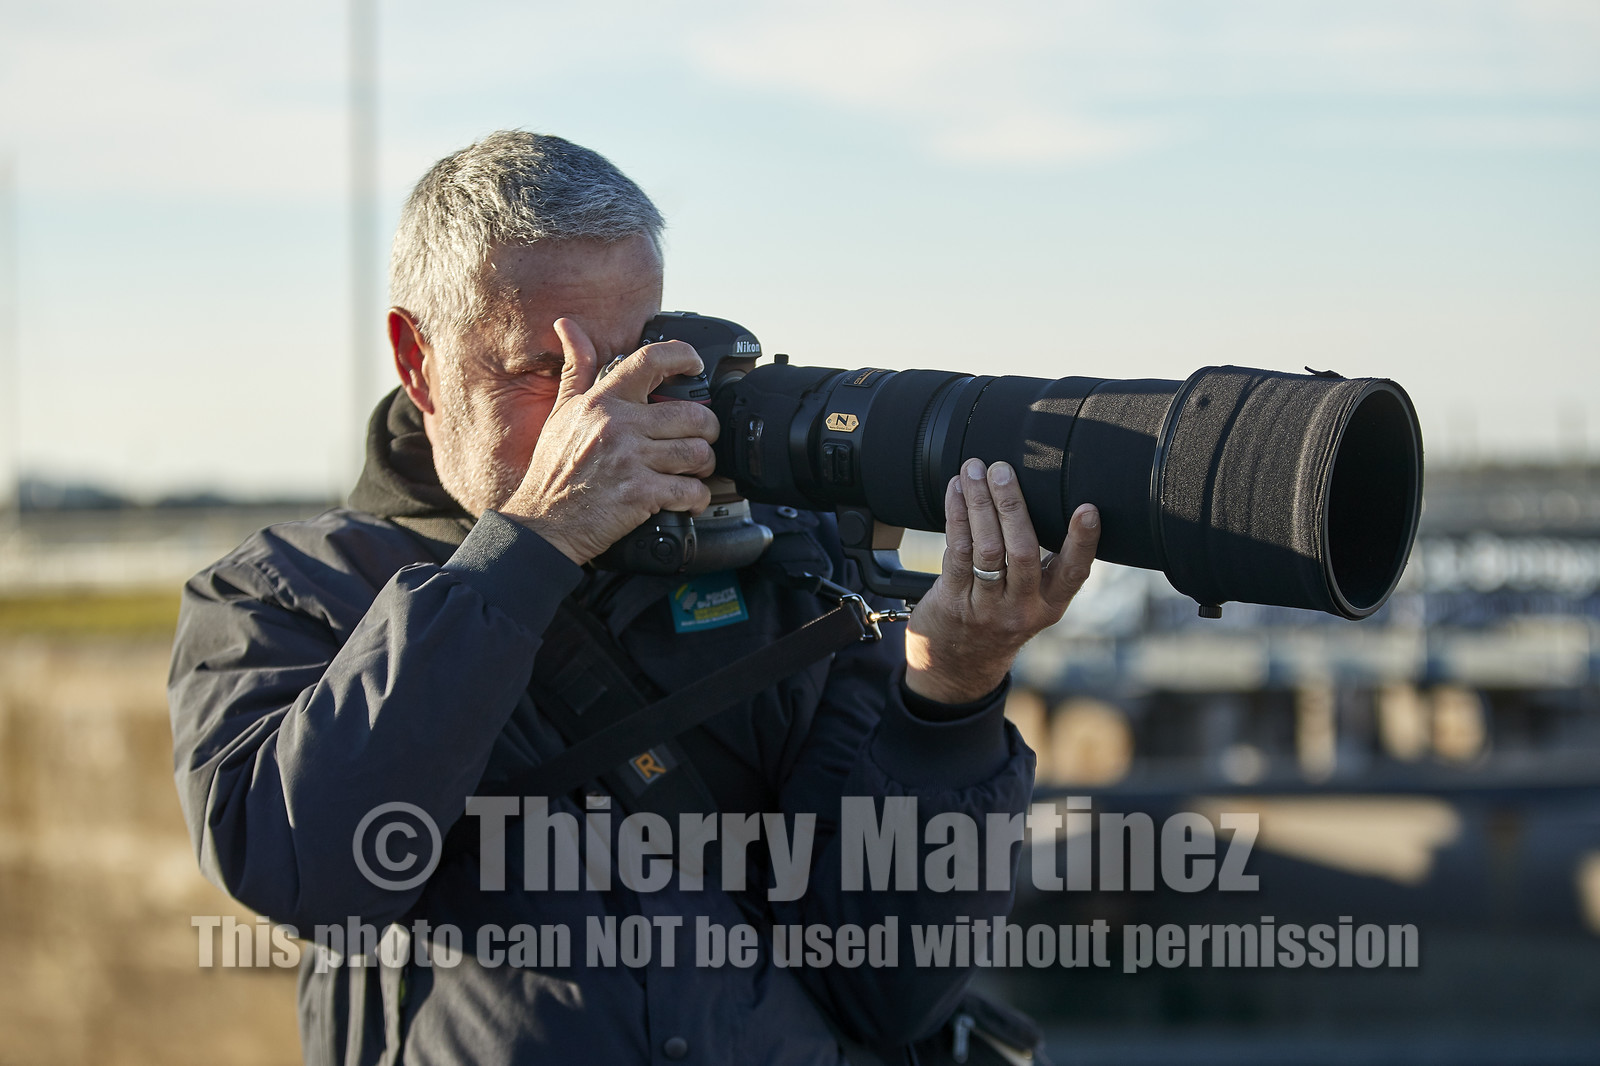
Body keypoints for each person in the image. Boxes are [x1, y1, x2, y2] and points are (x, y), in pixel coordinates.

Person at [168, 131, 1101, 1066]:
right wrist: (536, 543)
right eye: (548, 370)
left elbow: (886, 985)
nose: (609, 413)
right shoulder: (286, 595)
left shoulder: (781, 564)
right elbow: (308, 871)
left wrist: (952, 694)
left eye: (637, 358)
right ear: (419, 360)